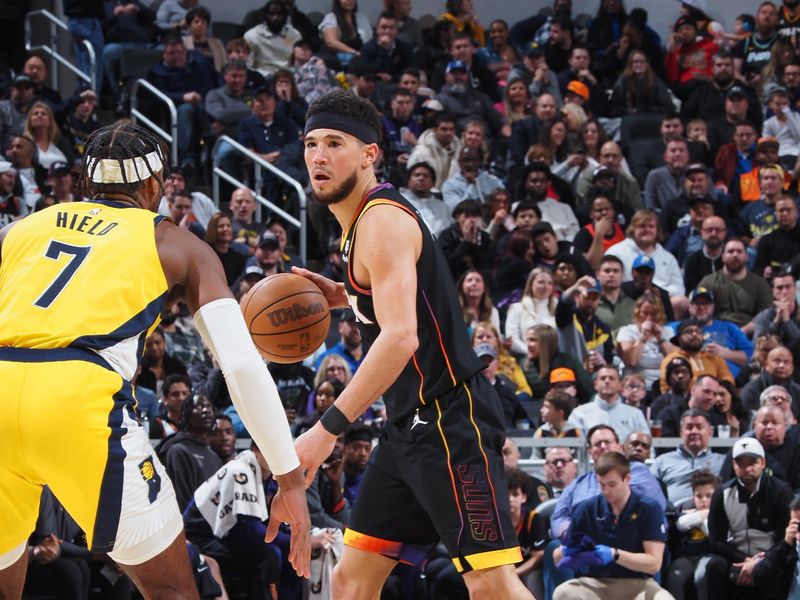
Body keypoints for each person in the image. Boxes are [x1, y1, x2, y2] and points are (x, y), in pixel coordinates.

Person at [0, 122, 311, 597]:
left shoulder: (21, 229)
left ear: (87, 183)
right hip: (77, 401)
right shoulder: (175, 243)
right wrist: (289, 479)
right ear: (153, 187)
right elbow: (242, 365)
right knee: (173, 591)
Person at [292, 89, 534, 599]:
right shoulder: (359, 224)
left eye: (334, 142)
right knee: (352, 578)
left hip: (450, 421)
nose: (318, 155)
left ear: (368, 154)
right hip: (409, 429)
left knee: (491, 584)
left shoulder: (380, 222)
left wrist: (327, 428)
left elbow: (402, 337)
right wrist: (347, 295)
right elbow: (399, 302)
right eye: (311, 143)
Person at [552, 452, 672, 600]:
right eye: (601, 484)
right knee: (563, 592)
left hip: (638, 584)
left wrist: (614, 555)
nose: (606, 490)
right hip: (593, 583)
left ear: (627, 478)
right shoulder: (587, 509)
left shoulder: (648, 508)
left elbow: (654, 564)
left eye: (612, 484)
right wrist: (565, 551)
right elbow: (558, 558)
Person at [705, 437, 794, 600]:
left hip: (770, 558)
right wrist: (745, 561)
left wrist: (761, 562)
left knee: (778, 568)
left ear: (763, 463)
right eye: (741, 463)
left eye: (752, 462)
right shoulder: (722, 494)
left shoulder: (781, 493)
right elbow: (716, 541)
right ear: (733, 465)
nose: (747, 468)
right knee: (714, 566)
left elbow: (785, 540)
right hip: (736, 557)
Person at [650, 408, 725, 505]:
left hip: (711, 514)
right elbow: (649, 489)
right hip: (674, 515)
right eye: (689, 427)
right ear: (681, 433)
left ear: (710, 432)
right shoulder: (662, 461)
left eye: (699, 427)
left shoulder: (722, 461)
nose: (694, 431)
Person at [698, 238, 773, 333]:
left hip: (750, 334)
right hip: (715, 333)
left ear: (746, 256)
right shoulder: (708, 282)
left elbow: (766, 316)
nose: (735, 255)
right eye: (730, 251)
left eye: (739, 251)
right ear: (723, 257)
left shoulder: (760, 284)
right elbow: (700, 312)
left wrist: (741, 333)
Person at [569, 365, 650, 441]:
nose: (607, 381)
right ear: (595, 384)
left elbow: (647, 446)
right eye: (603, 378)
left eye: (611, 378)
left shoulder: (635, 414)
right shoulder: (579, 414)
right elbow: (574, 447)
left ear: (620, 385)